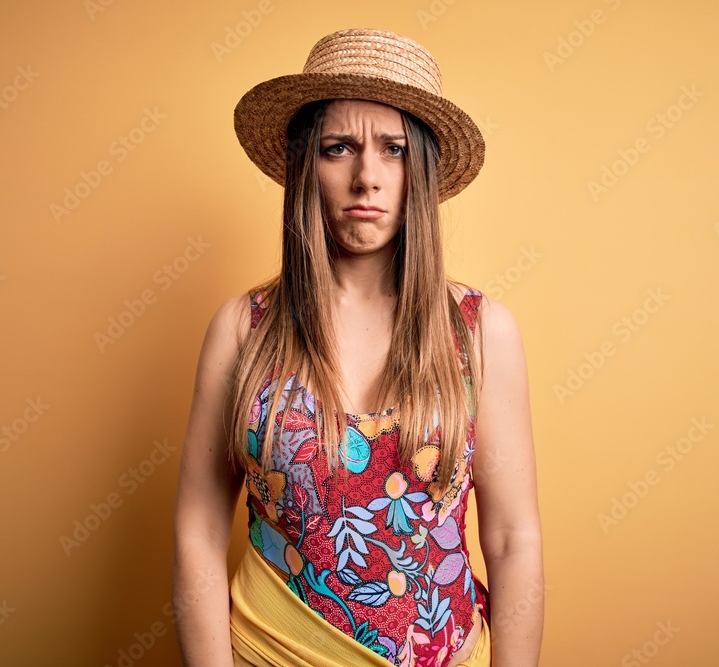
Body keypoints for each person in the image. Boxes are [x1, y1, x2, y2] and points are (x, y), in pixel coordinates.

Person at [171, 28, 543, 667]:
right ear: (304, 166)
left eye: (394, 150)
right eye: (338, 148)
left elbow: (513, 540)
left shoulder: (482, 333)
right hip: (273, 652)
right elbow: (197, 532)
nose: (366, 177)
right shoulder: (243, 330)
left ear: (419, 171)